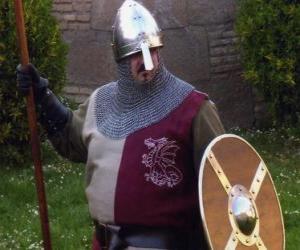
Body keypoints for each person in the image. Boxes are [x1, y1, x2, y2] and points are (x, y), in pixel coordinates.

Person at [17, 0, 224, 249]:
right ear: (121, 61)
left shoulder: (193, 109)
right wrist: (42, 96)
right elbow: (72, 140)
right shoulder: (101, 102)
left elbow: (223, 186)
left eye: (151, 51)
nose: (146, 60)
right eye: (135, 55)